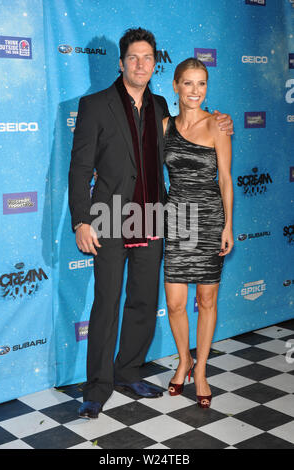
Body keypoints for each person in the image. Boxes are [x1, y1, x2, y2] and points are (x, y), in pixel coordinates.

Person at [69, 28, 234, 419]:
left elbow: (194, 124)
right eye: (133, 58)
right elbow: (79, 169)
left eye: (148, 58)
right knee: (107, 303)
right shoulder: (94, 105)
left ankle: (128, 371)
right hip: (109, 219)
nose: (141, 64)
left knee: (143, 301)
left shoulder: (162, 106)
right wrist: (81, 220)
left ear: (155, 64)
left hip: (154, 218)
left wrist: (220, 119)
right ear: (121, 62)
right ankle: (97, 387)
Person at [163, 58, 233, 409]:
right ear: (175, 85)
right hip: (176, 220)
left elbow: (225, 179)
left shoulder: (218, 125)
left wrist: (228, 225)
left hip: (208, 221)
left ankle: (201, 369)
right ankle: (183, 360)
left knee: (206, 300)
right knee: (175, 304)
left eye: (201, 83)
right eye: (188, 83)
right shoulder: (164, 126)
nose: (195, 91)